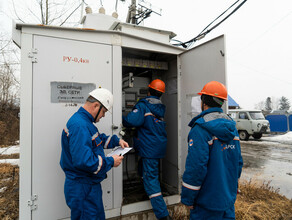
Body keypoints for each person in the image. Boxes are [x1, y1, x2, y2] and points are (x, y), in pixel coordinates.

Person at [60, 87, 129, 220]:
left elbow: (98, 140)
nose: (103, 115)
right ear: (96, 105)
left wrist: (117, 141)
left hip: (88, 186)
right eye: (103, 111)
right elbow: (84, 161)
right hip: (82, 187)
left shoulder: (85, 123)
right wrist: (111, 162)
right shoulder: (80, 125)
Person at [181, 81, 243, 220]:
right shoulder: (232, 129)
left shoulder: (200, 129)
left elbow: (196, 167)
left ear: (203, 101)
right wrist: (232, 190)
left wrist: (188, 198)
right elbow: (238, 163)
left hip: (206, 204)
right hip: (227, 203)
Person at [122, 79, 172, 220]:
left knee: (151, 179)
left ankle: (163, 215)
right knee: (142, 169)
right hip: (157, 146)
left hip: (148, 147)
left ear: (149, 91)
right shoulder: (160, 107)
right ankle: (148, 191)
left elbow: (132, 121)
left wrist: (119, 119)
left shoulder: (143, 105)